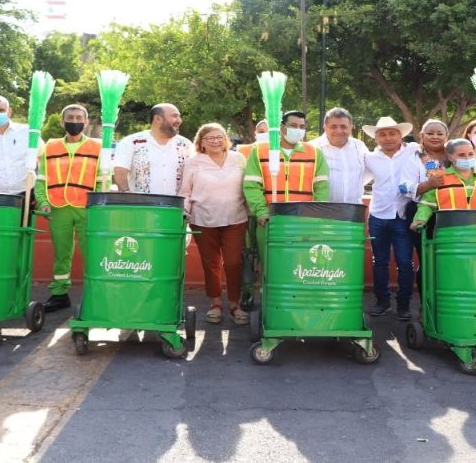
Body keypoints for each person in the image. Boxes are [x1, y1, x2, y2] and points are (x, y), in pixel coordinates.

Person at [34, 104, 104, 313]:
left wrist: (99, 205)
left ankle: (95, 293)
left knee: (92, 252)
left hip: (87, 208)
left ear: (86, 121)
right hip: (57, 207)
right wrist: (43, 202)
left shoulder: (98, 147)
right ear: (62, 121)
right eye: (70, 117)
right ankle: (59, 294)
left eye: (79, 117)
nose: (75, 121)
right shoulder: (51, 146)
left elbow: (103, 179)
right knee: (61, 253)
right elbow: (41, 179)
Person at [180, 123, 249, 325]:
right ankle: (216, 304)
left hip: (235, 218)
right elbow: (185, 191)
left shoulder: (238, 159)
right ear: (201, 142)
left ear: (226, 139)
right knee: (211, 264)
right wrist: (184, 212)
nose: (215, 141)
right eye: (209, 138)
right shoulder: (193, 162)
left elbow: (249, 186)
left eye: (219, 137)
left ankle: (235, 305)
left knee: (234, 262)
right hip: (203, 219)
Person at [243, 110, 329, 266]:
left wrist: (316, 215)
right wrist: (261, 212)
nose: (298, 130)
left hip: (303, 221)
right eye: (293, 125)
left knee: (301, 266)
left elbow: (321, 188)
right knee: (271, 266)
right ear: (282, 127)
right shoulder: (260, 151)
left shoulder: (315, 153)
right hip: (270, 220)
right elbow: (252, 186)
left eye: (302, 126)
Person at [362, 117, 417, 320]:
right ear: (376, 137)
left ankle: (403, 305)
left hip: (402, 215)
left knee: (404, 262)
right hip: (378, 214)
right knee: (380, 262)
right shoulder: (369, 158)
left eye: (392, 133)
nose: (387, 138)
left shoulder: (413, 151)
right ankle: (382, 301)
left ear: (400, 135)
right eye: (382, 134)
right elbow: (359, 179)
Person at [399, 119, 449, 292]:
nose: (435, 137)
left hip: (451, 214)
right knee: (427, 259)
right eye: (430, 133)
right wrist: (429, 185)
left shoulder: (456, 155)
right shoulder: (414, 158)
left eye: (439, 133)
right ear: (422, 136)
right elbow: (403, 187)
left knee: (449, 259)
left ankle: (446, 303)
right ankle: (426, 305)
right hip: (421, 214)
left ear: (446, 136)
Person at [411, 138, 476, 228]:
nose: (467, 158)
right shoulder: (439, 178)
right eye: (461, 155)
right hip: (450, 234)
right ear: (450, 157)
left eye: (471, 154)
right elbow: (427, 204)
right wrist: (420, 220)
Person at [113, 103, 194, 195]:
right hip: (142, 206)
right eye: (175, 116)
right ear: (158, 118)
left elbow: (194, 175)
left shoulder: (185, 145)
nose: (179, 120)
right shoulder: (132, 142)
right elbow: (120, 171)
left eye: (179, 117)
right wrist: (127, 197)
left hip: (177, 206)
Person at [311, 107, 369, 204]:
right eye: (333, 127)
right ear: (325, 127)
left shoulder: (359, 146)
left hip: (354, 209)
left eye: (343, 126)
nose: (339, 131)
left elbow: (371, 170)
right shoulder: (312, 148)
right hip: (320, 210)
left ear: (351, 127)